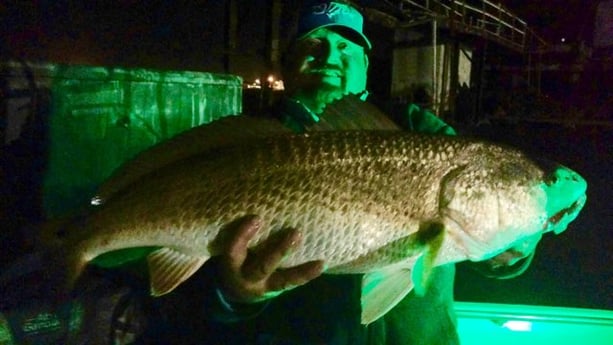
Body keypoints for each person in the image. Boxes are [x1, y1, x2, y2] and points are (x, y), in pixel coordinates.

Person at [0, 1, 540, 344]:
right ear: (286, 63)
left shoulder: (424, 136)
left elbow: (488, 238)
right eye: (313, 44)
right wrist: (235, 296)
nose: (330, 55)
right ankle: (70, 246)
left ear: (366, 67)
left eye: (346, 46)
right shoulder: (239, 144)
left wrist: (517, 247)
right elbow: (192, 312)